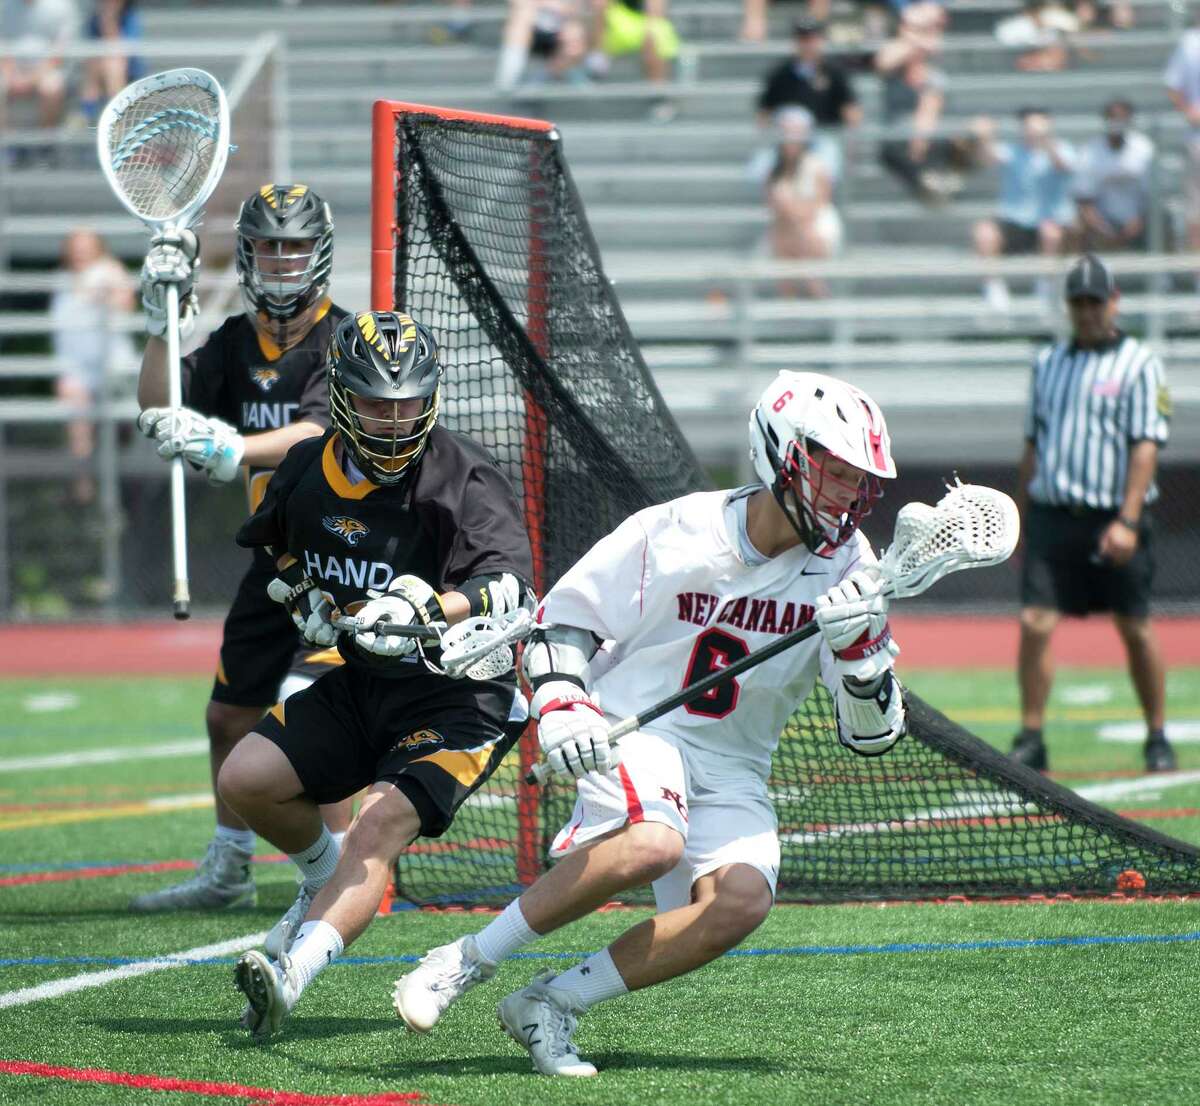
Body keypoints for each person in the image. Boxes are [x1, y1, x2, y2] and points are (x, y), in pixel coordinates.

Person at [393, 371, 906, 1076]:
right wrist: (564, 705)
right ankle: (464, 960)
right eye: (836, 472)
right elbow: (562, 622)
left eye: (860, 479)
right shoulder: (677, 531)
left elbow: (871, 735)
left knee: (742, 902)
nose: (849, 494)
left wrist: (860, 656)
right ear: (783, 455)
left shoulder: (851, 568)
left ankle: (550, 1004)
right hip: (633, 726)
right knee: (653, 843)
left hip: (734, 761)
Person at [218, 310, 535, 1040]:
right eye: (376, 403)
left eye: (408, 403)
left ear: (432, 397)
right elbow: (275, 550)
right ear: (341, 397)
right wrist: (308, 603)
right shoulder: (306, 468)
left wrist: (429, 608)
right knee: (245, 779)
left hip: (460, 697)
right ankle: (318, 880)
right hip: (363, 684)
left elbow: (514, 586)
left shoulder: (462, 475)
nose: (393, 421)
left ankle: (291, 977)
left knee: (377, 829)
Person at [130, 184, 353, 914]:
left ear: (317, 252)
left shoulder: (344, 340)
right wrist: (164, 318)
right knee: (229, 716)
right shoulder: (232, 341)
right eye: (267, 246)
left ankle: (342, 872)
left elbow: (317, 434)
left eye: (293, 245)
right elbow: (158, 406)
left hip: (345, 558)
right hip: (275, 562)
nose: (281, 260)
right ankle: (229, 866)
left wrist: (230, 448)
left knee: (311, 707)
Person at [1012, 254, 1173, 774]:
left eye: (1094, 301)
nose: (1086, 312)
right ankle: (1032, 734)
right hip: (1054, 513)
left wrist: (1126, 521)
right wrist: (1020, 516)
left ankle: (1156, 734)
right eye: (1077, 302)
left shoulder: (1139, 363)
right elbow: (1032, 444)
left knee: (1135, 627)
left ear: (1114, 302)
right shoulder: (1048, 363)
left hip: (1114, 515)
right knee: (1035, 622)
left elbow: (1145, 446)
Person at [49, 228, 137, 503]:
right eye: (75, 245)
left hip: (113, 363)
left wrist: (105, 296)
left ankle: (117, 473)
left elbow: (126, 303)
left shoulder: (108, 270)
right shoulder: (60, 280)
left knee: (120, 428)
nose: (80, 251)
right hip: (76, 368)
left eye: (85, 245)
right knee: (74, 403)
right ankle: (84, 482)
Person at [971, 109, 1076, 314]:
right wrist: (984, 136)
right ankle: (993, 287)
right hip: (1015, 220)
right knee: (984, 232)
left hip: (1048, 222)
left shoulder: (1061, 149)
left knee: (1051, 233)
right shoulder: (1012, 151)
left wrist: (1047, 142)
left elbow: (1063, 165)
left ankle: (1045, 286)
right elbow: (988, 158)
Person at [756, 17, 862, 183]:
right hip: (786, 139)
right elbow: (765, 112)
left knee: (827, 167)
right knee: (761, 168)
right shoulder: (781, 74)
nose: (807, 44)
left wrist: (851, 144)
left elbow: (851, 111)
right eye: (803, 39)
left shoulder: (834, 73)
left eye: (812, 38)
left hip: (822, 135)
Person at [766, 108, 843, 295]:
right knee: (783, 237)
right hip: (787, 227)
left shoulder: (816, 166)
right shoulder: (774, 171)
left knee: (801, 236)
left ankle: (815, 289)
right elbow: (773, 205)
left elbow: (819, 203)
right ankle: (793, 295)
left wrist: (794, 212)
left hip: (816, 224)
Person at [1072, 100, 1155, 253]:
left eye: (1122, 117)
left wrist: (1138, 221)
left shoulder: (1144, 148)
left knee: (1162, 219)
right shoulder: (1089, 152)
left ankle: (1161, 274)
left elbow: (1152, 195)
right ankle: (1087, 273)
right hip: (1101, 220)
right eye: (1113, 117)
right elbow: (1084, 199)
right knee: (1077, 225)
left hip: (1139, 218)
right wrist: (1102, 228)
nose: (1117, 122)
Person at [0, 0, 79, 131]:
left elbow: (60, 51)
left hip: (49, 71)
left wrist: (31, 80)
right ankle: (5, 146)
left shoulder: (62, 6)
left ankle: (44, 146)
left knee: (51, 87)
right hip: (11, 72)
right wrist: (12, 75)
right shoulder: (4, 6)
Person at [1164, 18, 1200, 283]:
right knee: (1196, 211)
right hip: (1198, 137)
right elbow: (1173, 87)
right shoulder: (1190, 42)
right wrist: (1190, 112)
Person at [78, 0, 144, 125]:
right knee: (96, 64)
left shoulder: (130, 17)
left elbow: (123, 52)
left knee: (113, 66)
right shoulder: (94, 19)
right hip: (98, 72)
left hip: (127, 72)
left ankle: (115, 119)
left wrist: (109, 20)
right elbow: (90, 50)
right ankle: (88, 116)